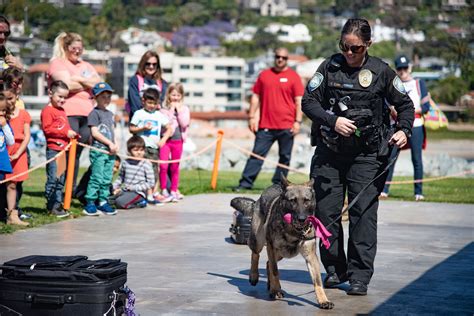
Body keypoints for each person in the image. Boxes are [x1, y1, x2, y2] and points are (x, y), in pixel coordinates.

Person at [302, 18, 414, 296]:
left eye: (356, 48)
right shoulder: (329, 67)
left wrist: (404, 130)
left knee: (362, 214)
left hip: (367, 156)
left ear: (368, 45)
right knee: (326, 214)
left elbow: (405, 106)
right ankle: (334, 270)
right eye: (344, 47)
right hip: (330, 152)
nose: (349, 53)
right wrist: (331, 120)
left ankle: (359, 275)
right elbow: (308, 101)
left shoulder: (381, 72)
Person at [233, 47, 304, 191]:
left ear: (287, 59)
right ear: (274, 57)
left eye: (283, 58)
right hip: (265, 125)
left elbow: (299, 101)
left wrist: (298, 122)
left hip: (287, 125)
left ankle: (278, 186)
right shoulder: (264, 75)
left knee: (284, 158)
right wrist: (252, 117)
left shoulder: (293, 77)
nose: (280, 60)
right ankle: (245, 184)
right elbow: (255, 97)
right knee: (256, 155)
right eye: (278, 56)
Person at [47, 32, 101, 189]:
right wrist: (86, 83)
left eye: (80, 48)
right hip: (67, 113)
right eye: (74, 48)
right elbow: (65, 86)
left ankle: (70, 188)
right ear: (66, 47)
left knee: (76, 154)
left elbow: (98, 84)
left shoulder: (86, 65)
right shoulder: (58, 63)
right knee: (65, 152)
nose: (77, 51)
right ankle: (58, 189)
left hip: (87, 114)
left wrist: (79, 80)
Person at [381, 55, 430, 201]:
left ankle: (418, 192)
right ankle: (384, 189)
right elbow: (386, 103)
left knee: (417, 159)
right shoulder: (393, 84)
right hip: (397, 126)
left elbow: (426, 106)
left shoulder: (418, 83)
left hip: (416, 125)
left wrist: (408, 112)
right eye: (399, 68)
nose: (403, 71)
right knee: (391, 158)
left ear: (410, 67)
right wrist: (392, 109)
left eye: (405, 68)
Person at [129, 88, 172, 204]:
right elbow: (131, 128)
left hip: (154, 149)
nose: (152, 106)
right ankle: (139, 194)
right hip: (140, 148)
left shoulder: (159, 115)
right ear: (143, 101)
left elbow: (169, 128)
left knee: (153, 172)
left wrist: (163, 139)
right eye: (149, 103)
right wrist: (142, 128)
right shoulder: (139, 113)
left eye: (154, 103)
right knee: (139, 171)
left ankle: (153, 193)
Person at [41, 80, 77, 218]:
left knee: (61, 179)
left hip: (63, 151)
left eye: (65, 97)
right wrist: (65, 133)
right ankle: (51, 205)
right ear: (50, 93)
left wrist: (72, 134)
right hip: (54, 150)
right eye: (60, 96)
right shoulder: (47, 111)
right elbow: (48, 129)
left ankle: (57, 204)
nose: (62, 100)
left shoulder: (62, 111)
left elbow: (65, 128)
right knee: (53, 179)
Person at [83, 82, 118, 216]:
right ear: (96, 98)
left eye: (108, 96)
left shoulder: (110, 114)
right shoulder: (94, 113)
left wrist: (115, 144)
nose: (106, 99)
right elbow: (95, 133)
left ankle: (103, 201)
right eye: (103, 96)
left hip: (110, 151)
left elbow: (112, 131)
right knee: (96, 177)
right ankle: (90, 202)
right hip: (99, 150)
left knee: (107, 178)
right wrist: (109, 143)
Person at [3, 82, 30, 226]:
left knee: (13, 185)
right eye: (4, 98)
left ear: (16, 97)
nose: (8, 102)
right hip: (4, 151)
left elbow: (26, 136)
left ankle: (12, 215)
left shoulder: (24, 114)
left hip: (18, 153)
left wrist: (17, 154)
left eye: (11, 98)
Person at [158, 83, 190, 201]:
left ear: (181, 96)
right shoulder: (163, 109)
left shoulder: (185, 109)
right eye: (173, 95)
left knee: (175, 166)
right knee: (163, 165)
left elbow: (184, 123)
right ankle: (164, 189)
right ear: (168, 95)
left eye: (178, 95)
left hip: (178, 141)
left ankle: (174, 190)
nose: (175, 98)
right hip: (166, 140)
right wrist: (171, 110)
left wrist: (179, 110)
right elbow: (166, 123)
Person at [112, 135, 155, 208]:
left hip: (138, 193)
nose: (139, 152)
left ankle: (140, 202)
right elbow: (120, 178)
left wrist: (134, 188)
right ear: (129, 151)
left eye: (141, 150)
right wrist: (113, 187)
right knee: (109, 199)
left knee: (119, 202)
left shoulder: (146, 164)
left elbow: (151, 183)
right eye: (136, 150)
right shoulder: (126, 162)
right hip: (125, 190)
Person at [127, 50, 168, 119]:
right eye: (148, 64)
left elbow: (162, 104)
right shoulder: (135, 81)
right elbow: (135, 105)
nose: (151, 67)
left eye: (154, 64)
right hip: (139, 123)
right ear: (143, 64)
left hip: (157, 123)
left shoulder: (162, 83)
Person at [0, 93, 19, 225]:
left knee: (1, 189)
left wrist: (4, 126)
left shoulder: (5, 125)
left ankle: (4, 214)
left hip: (1, 162)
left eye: (3, 110)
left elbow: (11, 141)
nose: (1, 113)